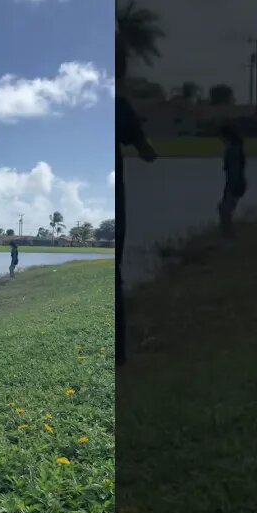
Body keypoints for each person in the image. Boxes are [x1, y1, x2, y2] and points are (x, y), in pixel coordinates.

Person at [116, 25, 158, 365]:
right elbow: (147, 153)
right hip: (116, 197)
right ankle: (119, 356)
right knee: (115, 273)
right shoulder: (121, 106)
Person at [217, 123, 247, 240]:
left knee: (225, 211)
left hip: (235, 185)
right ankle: (228, 237)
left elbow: (233, 172)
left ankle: (229, 238)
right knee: (224, 210)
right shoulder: (236, 148)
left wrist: (231, 188)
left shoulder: (232, 151)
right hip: (236, 184)